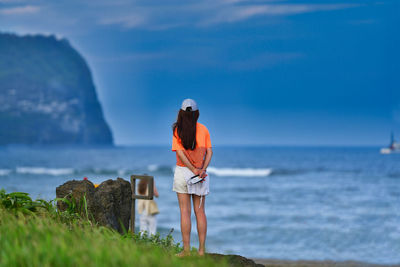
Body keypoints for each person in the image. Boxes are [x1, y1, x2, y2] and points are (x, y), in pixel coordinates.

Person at [172, 99, 213, 256]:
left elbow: (180, 154)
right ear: (197, 113)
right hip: (200, 175)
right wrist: (202, 169)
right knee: (200, 212)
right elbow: (210, 152)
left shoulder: (177, 130)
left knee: (184, 212)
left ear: (181, 113)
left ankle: (187, 251)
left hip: (183, 172)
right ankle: (201, 250)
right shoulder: (204, 129)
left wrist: (192, 169)